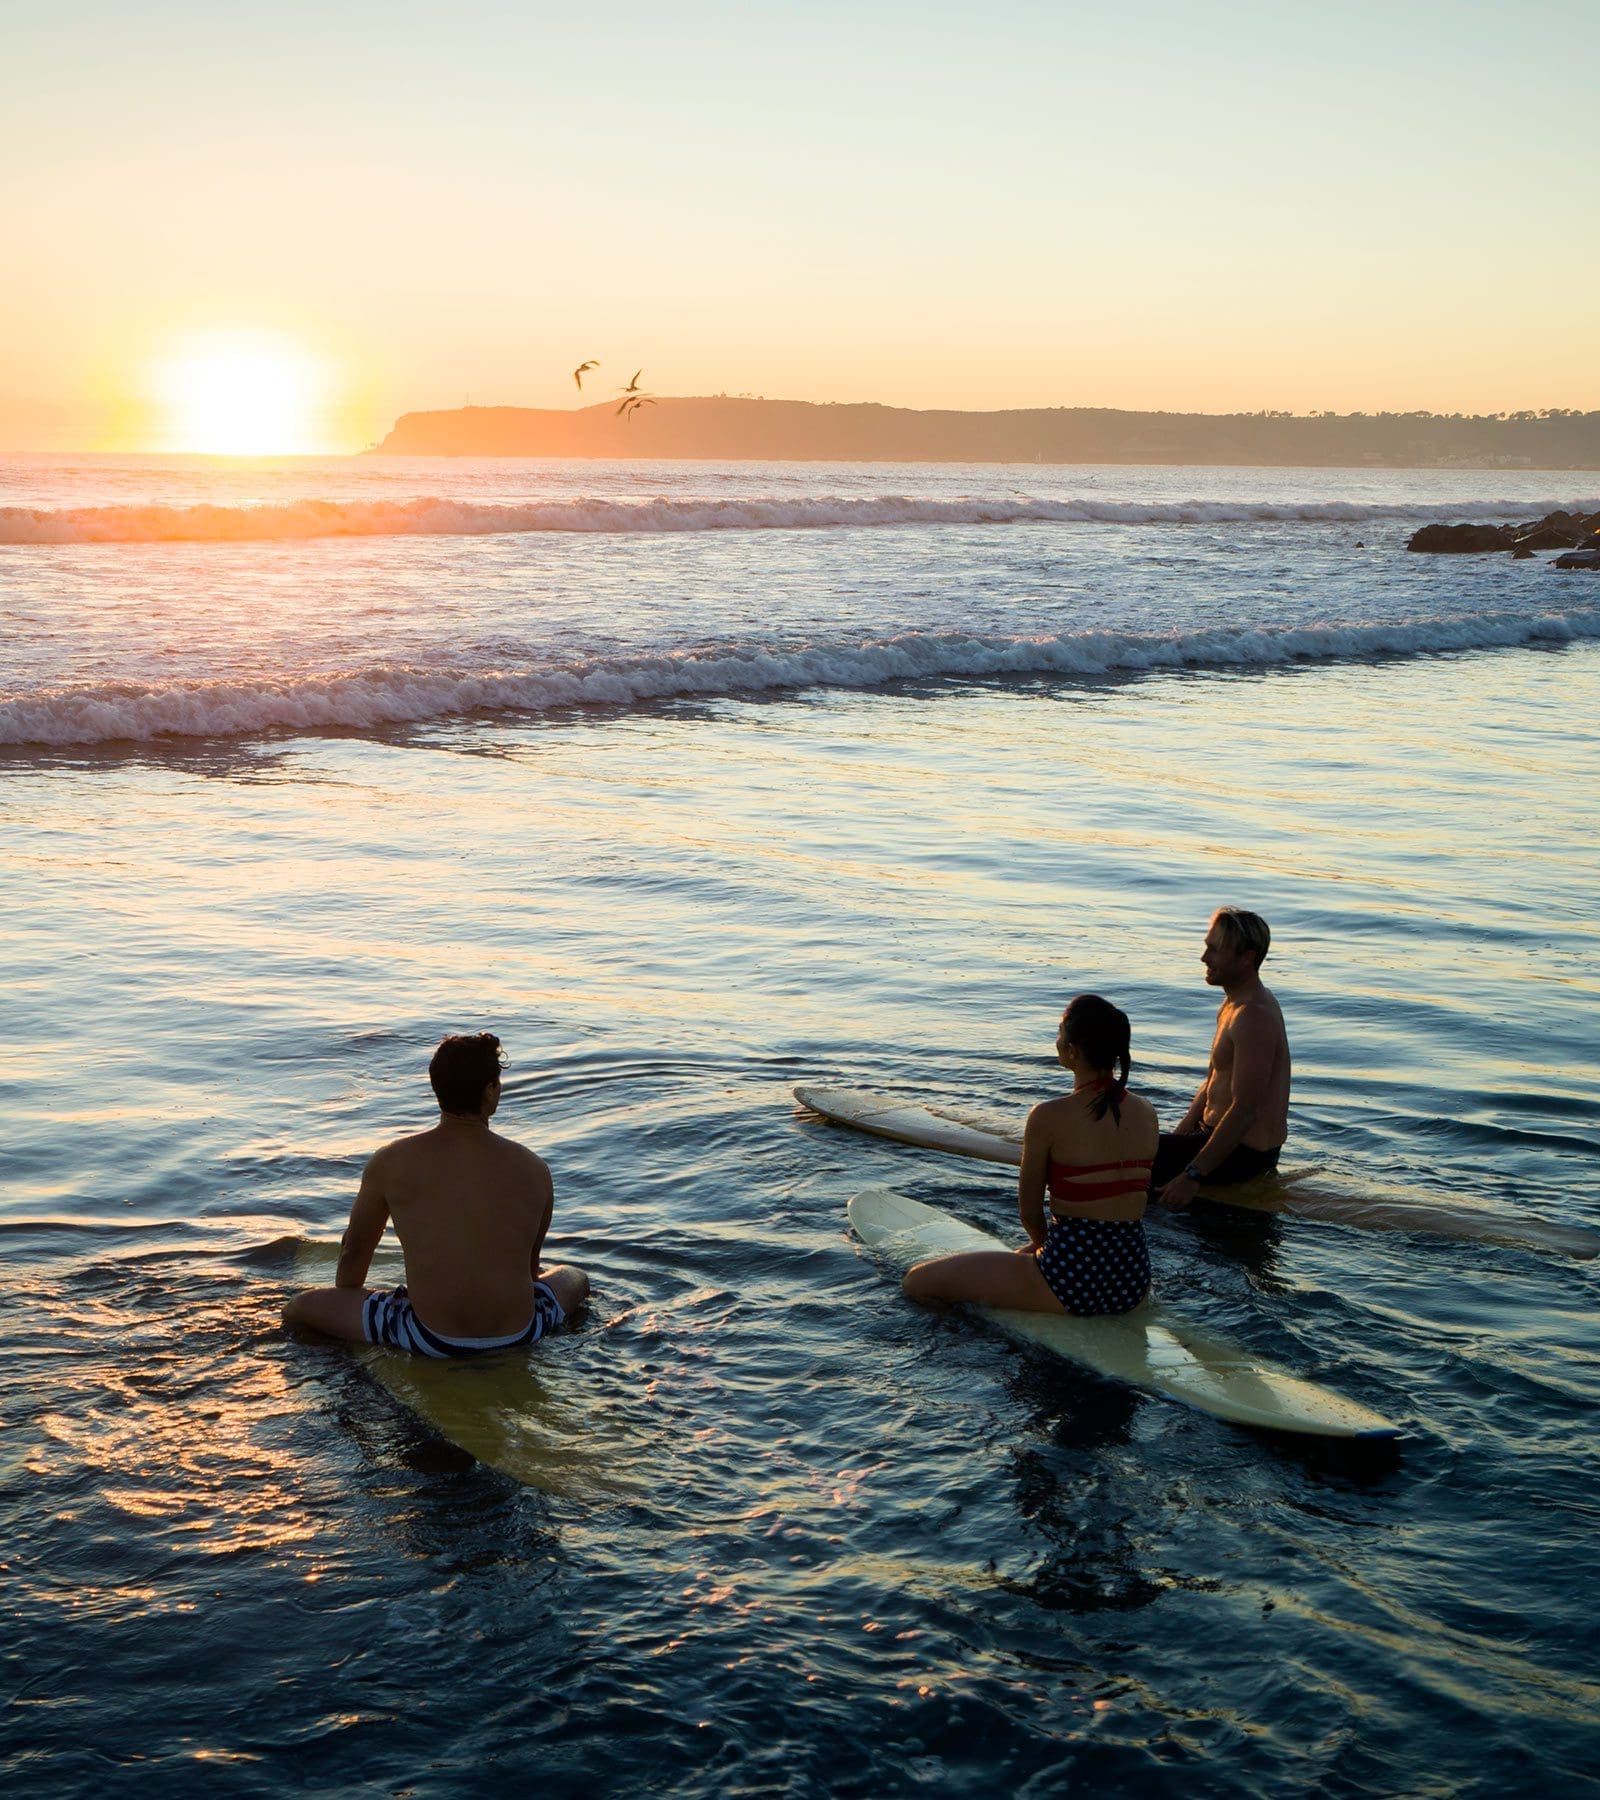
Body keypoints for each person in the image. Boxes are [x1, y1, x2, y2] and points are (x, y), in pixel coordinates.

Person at [283, 1032, 589, 1356]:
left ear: (437, 1088)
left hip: (428, 1337)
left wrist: (347, 1299)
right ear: (490, 1090)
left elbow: (353, 1254)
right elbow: (529, 1270)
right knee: (575, 1277)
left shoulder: (391, 1161)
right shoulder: (534, 1168)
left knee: (298, 1307)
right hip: (522, 1332)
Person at [903, 996, 1158, 1316]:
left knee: (917, 1282)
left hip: (1070, 1281)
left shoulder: (1048, 1116)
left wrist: (1042, 1247)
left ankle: (979, 1331)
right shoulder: (1146, 1111)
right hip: (1132, 1279)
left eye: (1059, 1032)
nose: (1056, 1040)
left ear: (1072, 1050)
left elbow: (1030, 1213)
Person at [1154, 908, 1290, 1210]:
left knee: (1117, 1158)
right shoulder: (1233, 1003)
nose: (1204, 958)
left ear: (1246, 958)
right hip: (1210, 1137)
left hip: (1243, 1155)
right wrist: (1178, 1138)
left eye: (1214, 950)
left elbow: (1245, 1109)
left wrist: (1192, 1174)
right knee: (1131, 1150)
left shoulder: (1253, 1016)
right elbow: (1212, 1080)